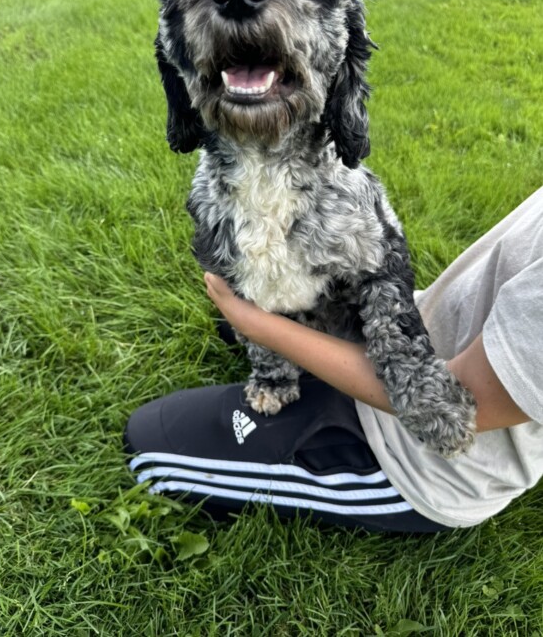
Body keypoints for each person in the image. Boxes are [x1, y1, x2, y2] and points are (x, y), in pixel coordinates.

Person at [124, 187, 543, 532]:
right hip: (406, 338)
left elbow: (459, 408)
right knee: (248, 319)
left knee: (149, 446)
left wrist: (259, 326)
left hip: (420, 459)